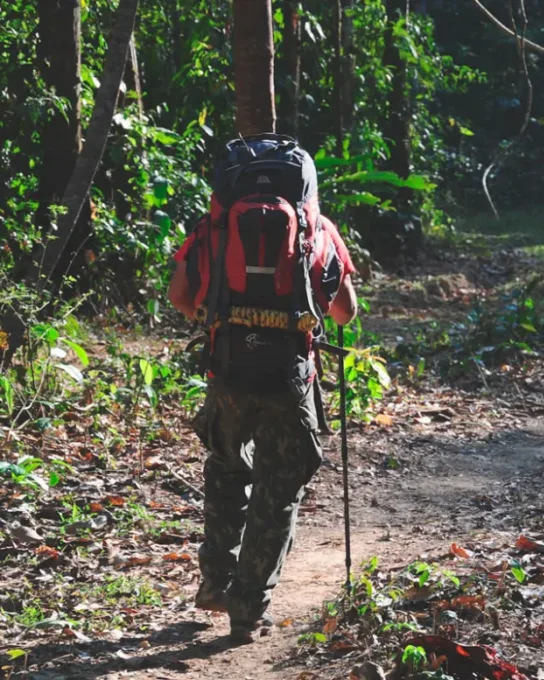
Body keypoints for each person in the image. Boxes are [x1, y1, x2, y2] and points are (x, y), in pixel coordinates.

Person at [168, 135, 357, 644]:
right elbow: (345, 311)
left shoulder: (212, 230)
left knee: (227, 466)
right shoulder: (317, 230)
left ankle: (214, 579)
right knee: (278, 489)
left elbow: (180, 295)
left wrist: (218, 318)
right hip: (289, 378)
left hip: (227, 370)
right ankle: (247, 610)